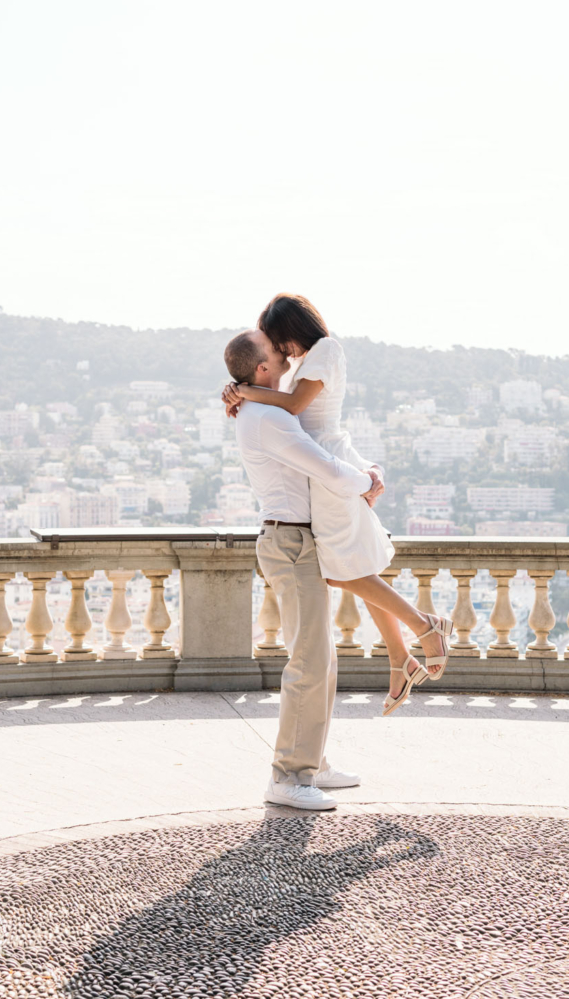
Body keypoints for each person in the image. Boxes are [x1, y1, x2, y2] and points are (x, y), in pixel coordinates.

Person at [224, 293, 453, 716]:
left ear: (295, 327)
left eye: (281, 341)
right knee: (355, 566)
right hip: (324, 467)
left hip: (329, 471)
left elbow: (295, 409)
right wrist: (245, 391)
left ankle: (426, 627)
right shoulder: (303, 363)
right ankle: (400, 659)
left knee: (339, 570)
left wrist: (246, 392)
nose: (281, 351)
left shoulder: (326, 350)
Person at [224, 327, 380, 812]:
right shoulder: (267, 417)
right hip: (289, 541)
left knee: (321, 660)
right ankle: (288, 776)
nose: (285, 350)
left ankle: (311, 762)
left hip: (296, 540)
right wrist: (368, 481)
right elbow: (325, 467)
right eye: (274, 349)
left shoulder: (263, 408)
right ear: (263, 369)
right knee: (309, 662)